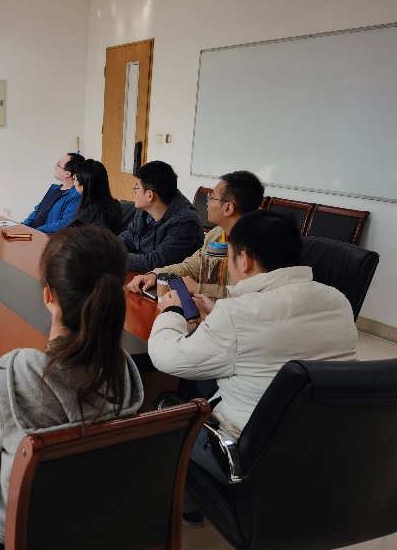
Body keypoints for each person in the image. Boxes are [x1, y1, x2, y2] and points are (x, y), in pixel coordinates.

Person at [147, 209, 359, 526]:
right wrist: (219, 313)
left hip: (247, 456)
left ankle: (190, 508)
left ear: (243, 260)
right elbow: (276, 332)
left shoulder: (237, 314)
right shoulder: (337, 300)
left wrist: (172, 313)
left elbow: (166, 357)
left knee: (164, 410)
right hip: (325, 450)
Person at [0, 225, 144, 543]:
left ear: (49, 295)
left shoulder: (12, 377)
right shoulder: (124, 370)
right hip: (97, 510)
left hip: (16, 524)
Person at [127, 170, 265, 298]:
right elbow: (191, 266)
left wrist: (199, 288)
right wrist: (155, 275)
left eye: (211, 198)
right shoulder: (217, 234)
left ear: (228, 208)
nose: (207, 203)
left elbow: (247, 297)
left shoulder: (258, 245)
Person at [118, 160, 204, 272]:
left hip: (167, 281)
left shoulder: (186, 222)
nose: (135, 191)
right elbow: (126, 240)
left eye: (137, 188)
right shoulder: (144, 212)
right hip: (142, 276)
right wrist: (108, 249)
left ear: (150, 195)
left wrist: (115, 258)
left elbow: (156, 262)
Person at [22, 153, 85, 234]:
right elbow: (37, 210)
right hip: (33, 233)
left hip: (46, 237)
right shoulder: (54, 189)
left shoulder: (76, 195)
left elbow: (65, 223)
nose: (55, 167)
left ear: (68, 174)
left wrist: (37, 230)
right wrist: (25, 225)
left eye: (58, 165)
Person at [69, 159, 123, 234]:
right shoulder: (111, 204)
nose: (74, 183)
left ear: (84, 185)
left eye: (75, 179)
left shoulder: (97, 219)